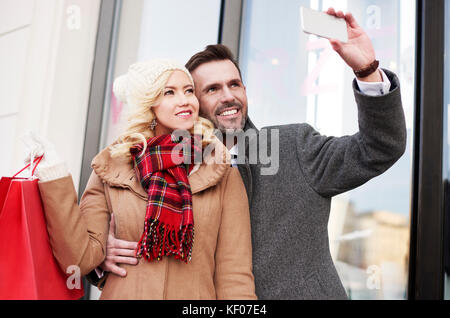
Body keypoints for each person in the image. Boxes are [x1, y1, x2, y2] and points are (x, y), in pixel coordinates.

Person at [89, 9, 406, 299]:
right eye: (212, 89)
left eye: (235, 84)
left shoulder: (294, 146)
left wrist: (367, 70)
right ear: (191, 105)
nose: (228, 96)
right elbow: (113, 247)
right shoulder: (161, 172)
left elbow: (379, 147)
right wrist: (101, 256)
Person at [27, 59, 256, 299]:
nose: (185, 100)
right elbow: (79, 258)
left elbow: (235, 276)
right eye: (169, 92)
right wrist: (54, 175)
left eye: (189, 90)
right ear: (149, 104)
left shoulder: (221, 171)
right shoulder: (111, 168)